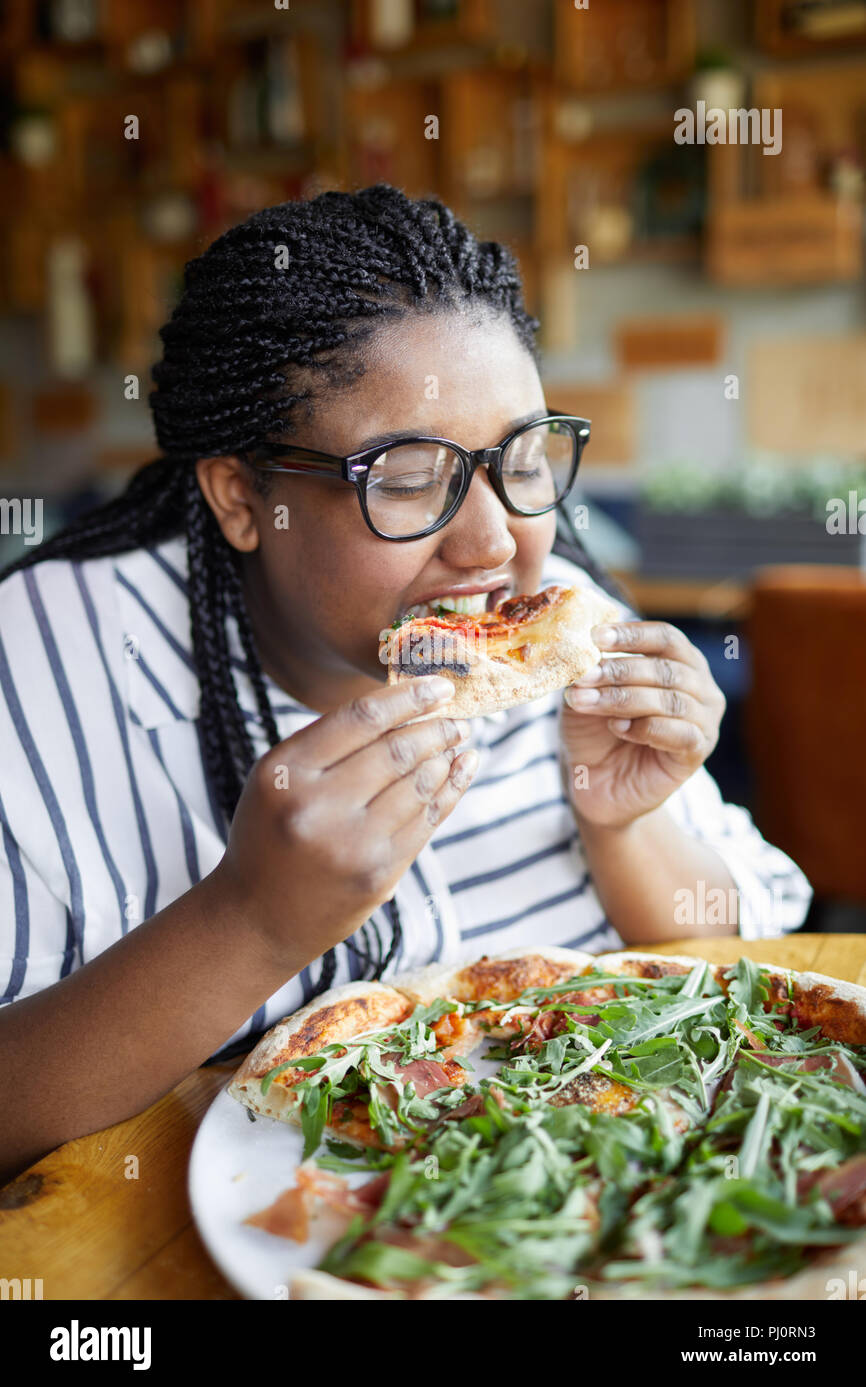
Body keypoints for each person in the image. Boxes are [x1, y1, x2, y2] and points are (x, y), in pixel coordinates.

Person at [0, 185, 811, 1182]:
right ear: (243, 498)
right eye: (407, 477)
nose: (492, 544)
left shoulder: (556, 612)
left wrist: (621, 824)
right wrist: (249, 923)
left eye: (517, 458)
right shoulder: (44, 660)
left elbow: (736, 971)